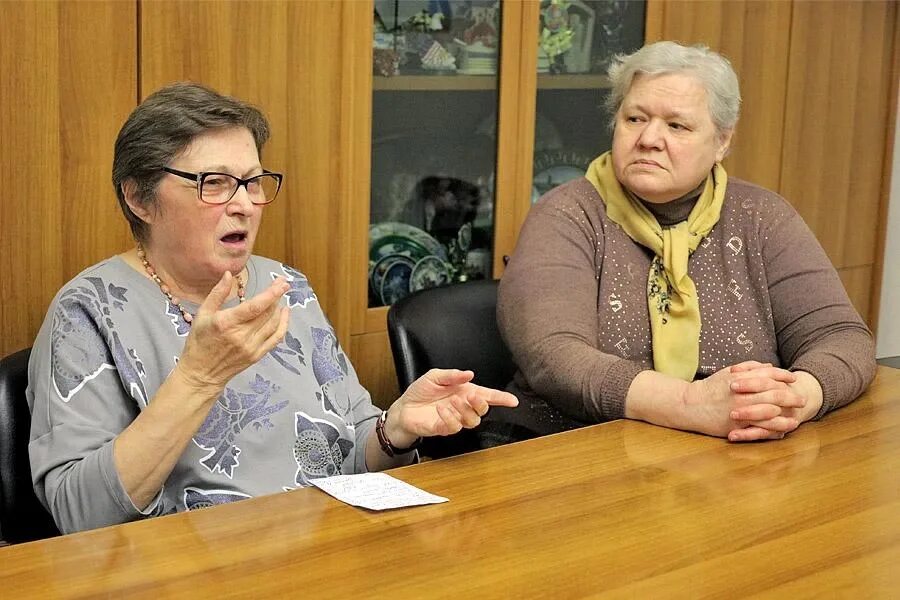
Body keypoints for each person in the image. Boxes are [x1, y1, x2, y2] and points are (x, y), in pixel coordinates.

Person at [26, 82, 518, 534]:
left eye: (254, 181)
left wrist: (397, 427)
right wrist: (198, 379)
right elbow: (79, 515)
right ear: (140, 198)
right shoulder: (87, 313)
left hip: (329, 550)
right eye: (215, 183)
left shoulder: (287, 288)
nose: (244, 204)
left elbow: (350, 457)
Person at [486, 41, 875, 446]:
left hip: (733, 454)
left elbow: (842, 336)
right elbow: (555, 357)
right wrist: (691, 403)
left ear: (722, 141)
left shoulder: (763, 216)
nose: (649, 138)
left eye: (677, 126)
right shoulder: (567, 214)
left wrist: (793, 399)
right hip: (570, 452)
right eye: (635, 118)